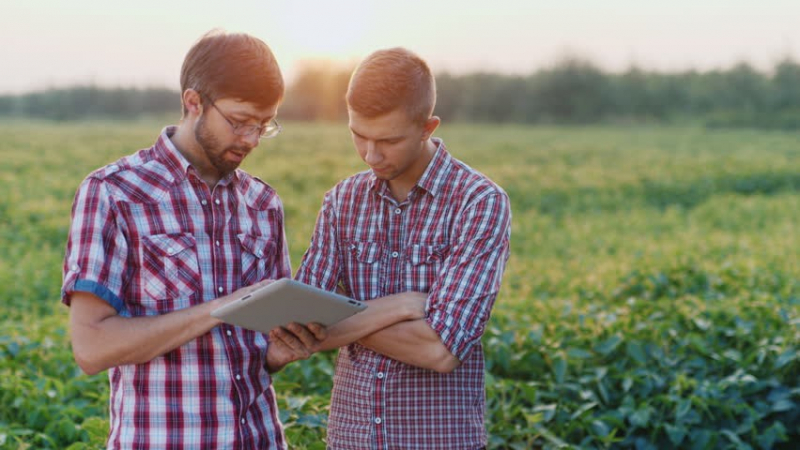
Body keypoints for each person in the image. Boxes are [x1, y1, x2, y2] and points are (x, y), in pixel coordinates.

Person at [61, 30, 325, 449]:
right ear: (193, 103)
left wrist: (280, 351)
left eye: (264, 125)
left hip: (260, 438)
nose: (252, 140)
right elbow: (91, 347)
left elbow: (260, 347)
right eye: (239, 122)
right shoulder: (114, 193)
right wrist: (220, 309)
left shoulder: (262, 203)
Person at [292, 47, 512, 449]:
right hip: (351, 438)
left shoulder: (478, 202)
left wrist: (338, 320)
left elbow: (440, 349)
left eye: (388, 141)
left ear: (428, 127)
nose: (371, 155)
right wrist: (400, 307)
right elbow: (302, 325)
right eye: (358, 136)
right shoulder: (343, 200)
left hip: (439, 440)